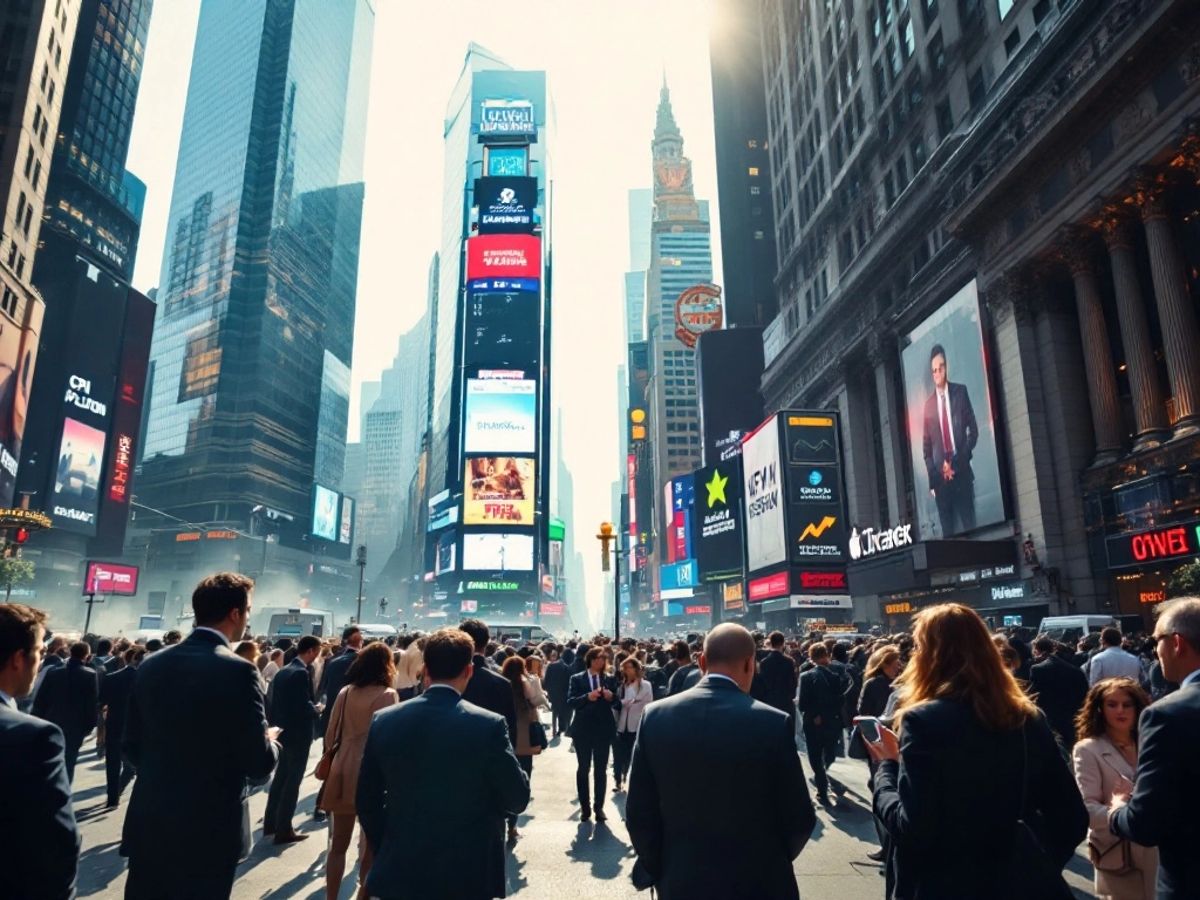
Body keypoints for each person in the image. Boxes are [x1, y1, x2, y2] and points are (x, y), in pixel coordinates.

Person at [866, 603, 1087, 899]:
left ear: (932, 655)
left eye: (918, 647)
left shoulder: (923, 721)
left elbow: (912, 827)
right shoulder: (1028, 718)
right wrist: (1036, 863)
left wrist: (886, 768)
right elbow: (1072, 818)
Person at [626, 623, 815, 899]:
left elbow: (639, 813)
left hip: (681, 878)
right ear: (751, 664)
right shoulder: (773, 723)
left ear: (701, 662)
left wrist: (661, 866)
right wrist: (771, 859)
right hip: (758, 880)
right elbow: (799, 817)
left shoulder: (655, 717)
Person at [122, 573, 279, 900]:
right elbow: (258, 762)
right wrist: (271, 741)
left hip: (151, 820)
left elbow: (130, 746)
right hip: (209, 827)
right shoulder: (238, 670)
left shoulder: (151, 664)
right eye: (248, 610)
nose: (248, 620)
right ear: (235, 614)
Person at [356, 628, 529, 900]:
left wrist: (389, 841)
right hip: (468, 870)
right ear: (469, 670)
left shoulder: (385, 720)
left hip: (402, 866)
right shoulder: (489, 725)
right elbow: (517, 798)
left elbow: (366, 799)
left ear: (425, 670)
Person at [1110, 596, 1200, 898]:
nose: (1154, 650)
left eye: (1156, 640)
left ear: (1177, 643)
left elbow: (1146, 823)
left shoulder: (1166, 715)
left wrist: (1118, 809)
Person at [0, 604, 80, 900]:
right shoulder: (34, 737)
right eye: (39, 652)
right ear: (19, 659)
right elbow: (56, 844)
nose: (40, 661)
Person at [320, 642, 398, 900]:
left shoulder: (345, 692)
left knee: (337, 846)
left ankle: (331, 896)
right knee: (369, 847)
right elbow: (387, 739)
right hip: (370, 772)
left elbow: (331, 733)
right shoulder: (387, 694)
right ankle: (362, 896)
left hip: (341, 768)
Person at [1072, 678, 1158, 899]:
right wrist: (1122, 811)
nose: (1120, 710)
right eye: (1112, 704)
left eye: (1127, 704)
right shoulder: (1088, 749)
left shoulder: (1152, 741)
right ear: (1100, 708)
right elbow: (1087, 809)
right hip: (1118, 854)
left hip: (1158, 849)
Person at [265, 633, 322, 844]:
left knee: (281, 777)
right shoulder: (300, 673)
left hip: (282, 731)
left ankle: (271, 823)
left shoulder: (284, 671)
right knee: (292, 781)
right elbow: (302, 705)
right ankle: (284, 828)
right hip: (298, 733)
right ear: (311, 651)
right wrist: (317, 710)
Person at [921, 342, 979, 537]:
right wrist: (934, 476)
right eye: (934, 370)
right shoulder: (928, 406)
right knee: (950, 541)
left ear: (946, 367)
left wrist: (960, 458)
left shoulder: (960, 392)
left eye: (941, 367)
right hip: (941, 484)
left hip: (961, 472)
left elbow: (974, 430)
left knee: (971, 530)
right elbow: (926, 450)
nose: (938, 372)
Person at [856, 645, 900, 862]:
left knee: (882, 790)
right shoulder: (883, 684)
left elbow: (863, 714)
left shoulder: (878, 683)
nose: (899, 667)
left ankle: (887, 845)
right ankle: (888, 845)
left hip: (881, 744)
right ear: (884, 663)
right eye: (895, 664)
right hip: (885, 742)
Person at [32, 639, 98, 782]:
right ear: (86, 655)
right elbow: (91, 703)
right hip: (76, 725)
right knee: (69, 761)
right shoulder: (90, 675)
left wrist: (37, 719)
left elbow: (41, 699)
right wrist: (90, 725)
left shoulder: (54, 672)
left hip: (51, 720)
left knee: (47, 758)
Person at [567, 646, 620, 822]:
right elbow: (571, 701)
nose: (600, 662)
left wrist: (610, 697)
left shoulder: (610, 679)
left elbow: (618, 703)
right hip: (583, 729)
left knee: (601, 769)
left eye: (603, 659)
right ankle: (585, 807)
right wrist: (587, 697)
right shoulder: (577, 679)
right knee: (583, 768)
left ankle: (599, 807)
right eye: (597, 658)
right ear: (590, 660)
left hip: (603, 729)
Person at [798, 642, 847, 805]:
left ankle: (821, 787)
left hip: (813, 722)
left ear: (811, 657)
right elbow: (841, 699)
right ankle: (828, 777)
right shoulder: (837, 675)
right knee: (830, 752)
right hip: (832, 721)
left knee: (814, 754)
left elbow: (803, 703)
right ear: (827, 655)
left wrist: (815, 714)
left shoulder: (805, 676)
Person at [501, 655, 543, 841]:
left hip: (507, 731)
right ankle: (513, 825)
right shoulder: (524, 682)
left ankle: (505, 818)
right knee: (522, 774)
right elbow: (535, 701)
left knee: (505, 774)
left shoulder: (501, 683)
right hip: (524, 731)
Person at [99, 645, 144, 807]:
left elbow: (101, 701)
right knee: (133, 765)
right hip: (137, 727)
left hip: (115, 723)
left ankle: (112, 798)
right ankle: (126, 794)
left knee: (112, 762)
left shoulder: (112, 677)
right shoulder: (145, 679)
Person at [459, 618, 517, 741]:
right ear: (486, 643)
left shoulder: (448, 677)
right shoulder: (503, 683)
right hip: (491, 753)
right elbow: (510, 733)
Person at [1029, 634, 1089, 749]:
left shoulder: (1037, 669)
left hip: (1051, 720)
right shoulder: (1075, 667)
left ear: (1036, 650)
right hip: (1073, 719)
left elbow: (1036, 696)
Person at [613, 656, 652, 792]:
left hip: (636, 724)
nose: (626, 670)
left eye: (629, 667)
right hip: (621, 724)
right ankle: (618, 780)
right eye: (625, 668)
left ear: (636, 669)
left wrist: (633, 702)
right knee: (619, 754)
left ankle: (626, 778)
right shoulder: (622, 686)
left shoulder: (645, 685)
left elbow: (647, 703)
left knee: (631, 754)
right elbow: (618, 704)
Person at [754, 630, 799, 730]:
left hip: (770, 703)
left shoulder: (764, 663)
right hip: (786, 702)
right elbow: (793, 683)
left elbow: (763, 684)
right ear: (783, 643)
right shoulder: (789, 661)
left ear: (770, 643)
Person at [543, 648, 572, 737]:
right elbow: (569, 682)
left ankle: (556, 730)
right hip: (564, 693)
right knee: (564, 711)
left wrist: (547, 692)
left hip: (554, 694)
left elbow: (546, 681)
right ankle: (563, 728)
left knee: (555, 711)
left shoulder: (551, 666)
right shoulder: (567, 667)